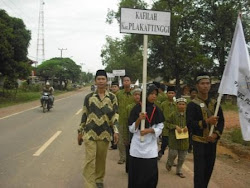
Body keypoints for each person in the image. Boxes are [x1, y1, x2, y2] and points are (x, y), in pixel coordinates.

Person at [77, 69, 119, 188]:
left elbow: (115, 115)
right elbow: (84, 115)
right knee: (90, 159)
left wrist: (116, 131)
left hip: (105, 133)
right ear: (95, 81)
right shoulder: (89, 97)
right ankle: (89, 184)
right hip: (90, 133)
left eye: (103, 79)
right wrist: (80, 131)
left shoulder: (112, 97)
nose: (101, 81)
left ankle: (99, 179)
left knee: (101, 159)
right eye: (98, 79)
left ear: (106, 81)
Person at [186, 72, 224, 188]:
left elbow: (221, 121)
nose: (205, 86)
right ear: (197, 86)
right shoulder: (192, 105)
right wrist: (206, 122)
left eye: (207, 83)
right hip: (199, 143)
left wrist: (216, 135)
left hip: (211, 143)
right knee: (199, 173)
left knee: (208, 171)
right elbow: (190, 124)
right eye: (202, 83)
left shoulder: (215, 103)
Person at [128, 83, 164, 188]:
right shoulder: (136, 109)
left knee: (150, 176)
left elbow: (160, 127)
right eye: (151, 94)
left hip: (150, 148)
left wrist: (150, 130)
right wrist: (139, 119)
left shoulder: (156, 109)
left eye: (155, 94)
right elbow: (131, 128)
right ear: (145, 94)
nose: (154, 96)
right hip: (137, 148)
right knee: (136, 176)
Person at [166, 98, 189, 178]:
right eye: (180, 104)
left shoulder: (189, 115)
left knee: (182, 157)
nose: (181, 106)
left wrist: (188, 127)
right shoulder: (172, 114)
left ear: (186, 106)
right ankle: (169, 163)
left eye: (183, 104)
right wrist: (175, 127)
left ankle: (179, 171)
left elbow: (193, 124)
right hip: (174, 139)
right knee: (173, 154)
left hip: (184, 140)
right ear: (176, 105)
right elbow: (166, 124)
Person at [116, 75, 134, 164]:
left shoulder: (134, 94)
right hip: (121, 120)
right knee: (121, 141)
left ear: (130, 82)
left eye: (128, 80)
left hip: (132, 121)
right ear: (123, 83)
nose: (126, 82)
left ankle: (131, 157)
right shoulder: (119, 94)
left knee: (132, 139)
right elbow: (115, 106)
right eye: (124, 81)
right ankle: (122, 157)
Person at [123, 88, 141, 173]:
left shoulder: (144, 107)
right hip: (131, 133)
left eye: (139, 94)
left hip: (140, 132)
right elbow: (125, 122)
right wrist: (125, 137)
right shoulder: (129, 107)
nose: (137, 96)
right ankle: (129, 169)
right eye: (135, 94)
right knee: (129, 151)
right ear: (132, 96)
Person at [158, 85, 176, 160]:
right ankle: (161, 152)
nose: (170, 95)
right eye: (169, 93)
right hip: (165, 126)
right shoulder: (163, 104)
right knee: (165, 142)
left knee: (173, 144)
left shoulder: (176, 105)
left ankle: (171, 159)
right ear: (166, 94)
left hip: (174, 126)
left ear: (174, 94)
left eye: (172, 93)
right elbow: (160, 114)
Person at [109, 81, 120, 150]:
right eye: (113, 87)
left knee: (117, 130)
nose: (114, 88)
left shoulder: (120, 95)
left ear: (118, 87)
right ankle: (114, 144)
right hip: (111, 115)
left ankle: (116, 144)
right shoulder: (110, 95)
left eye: (115, 87)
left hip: (118, 115)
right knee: (111, 130)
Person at [187, 87, 198, 153]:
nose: (194, 94)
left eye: (195, 93)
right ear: (190, 94)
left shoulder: (199, 102)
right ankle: (189, 146)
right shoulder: (187, 101)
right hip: (188, 120)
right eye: (193, 93)